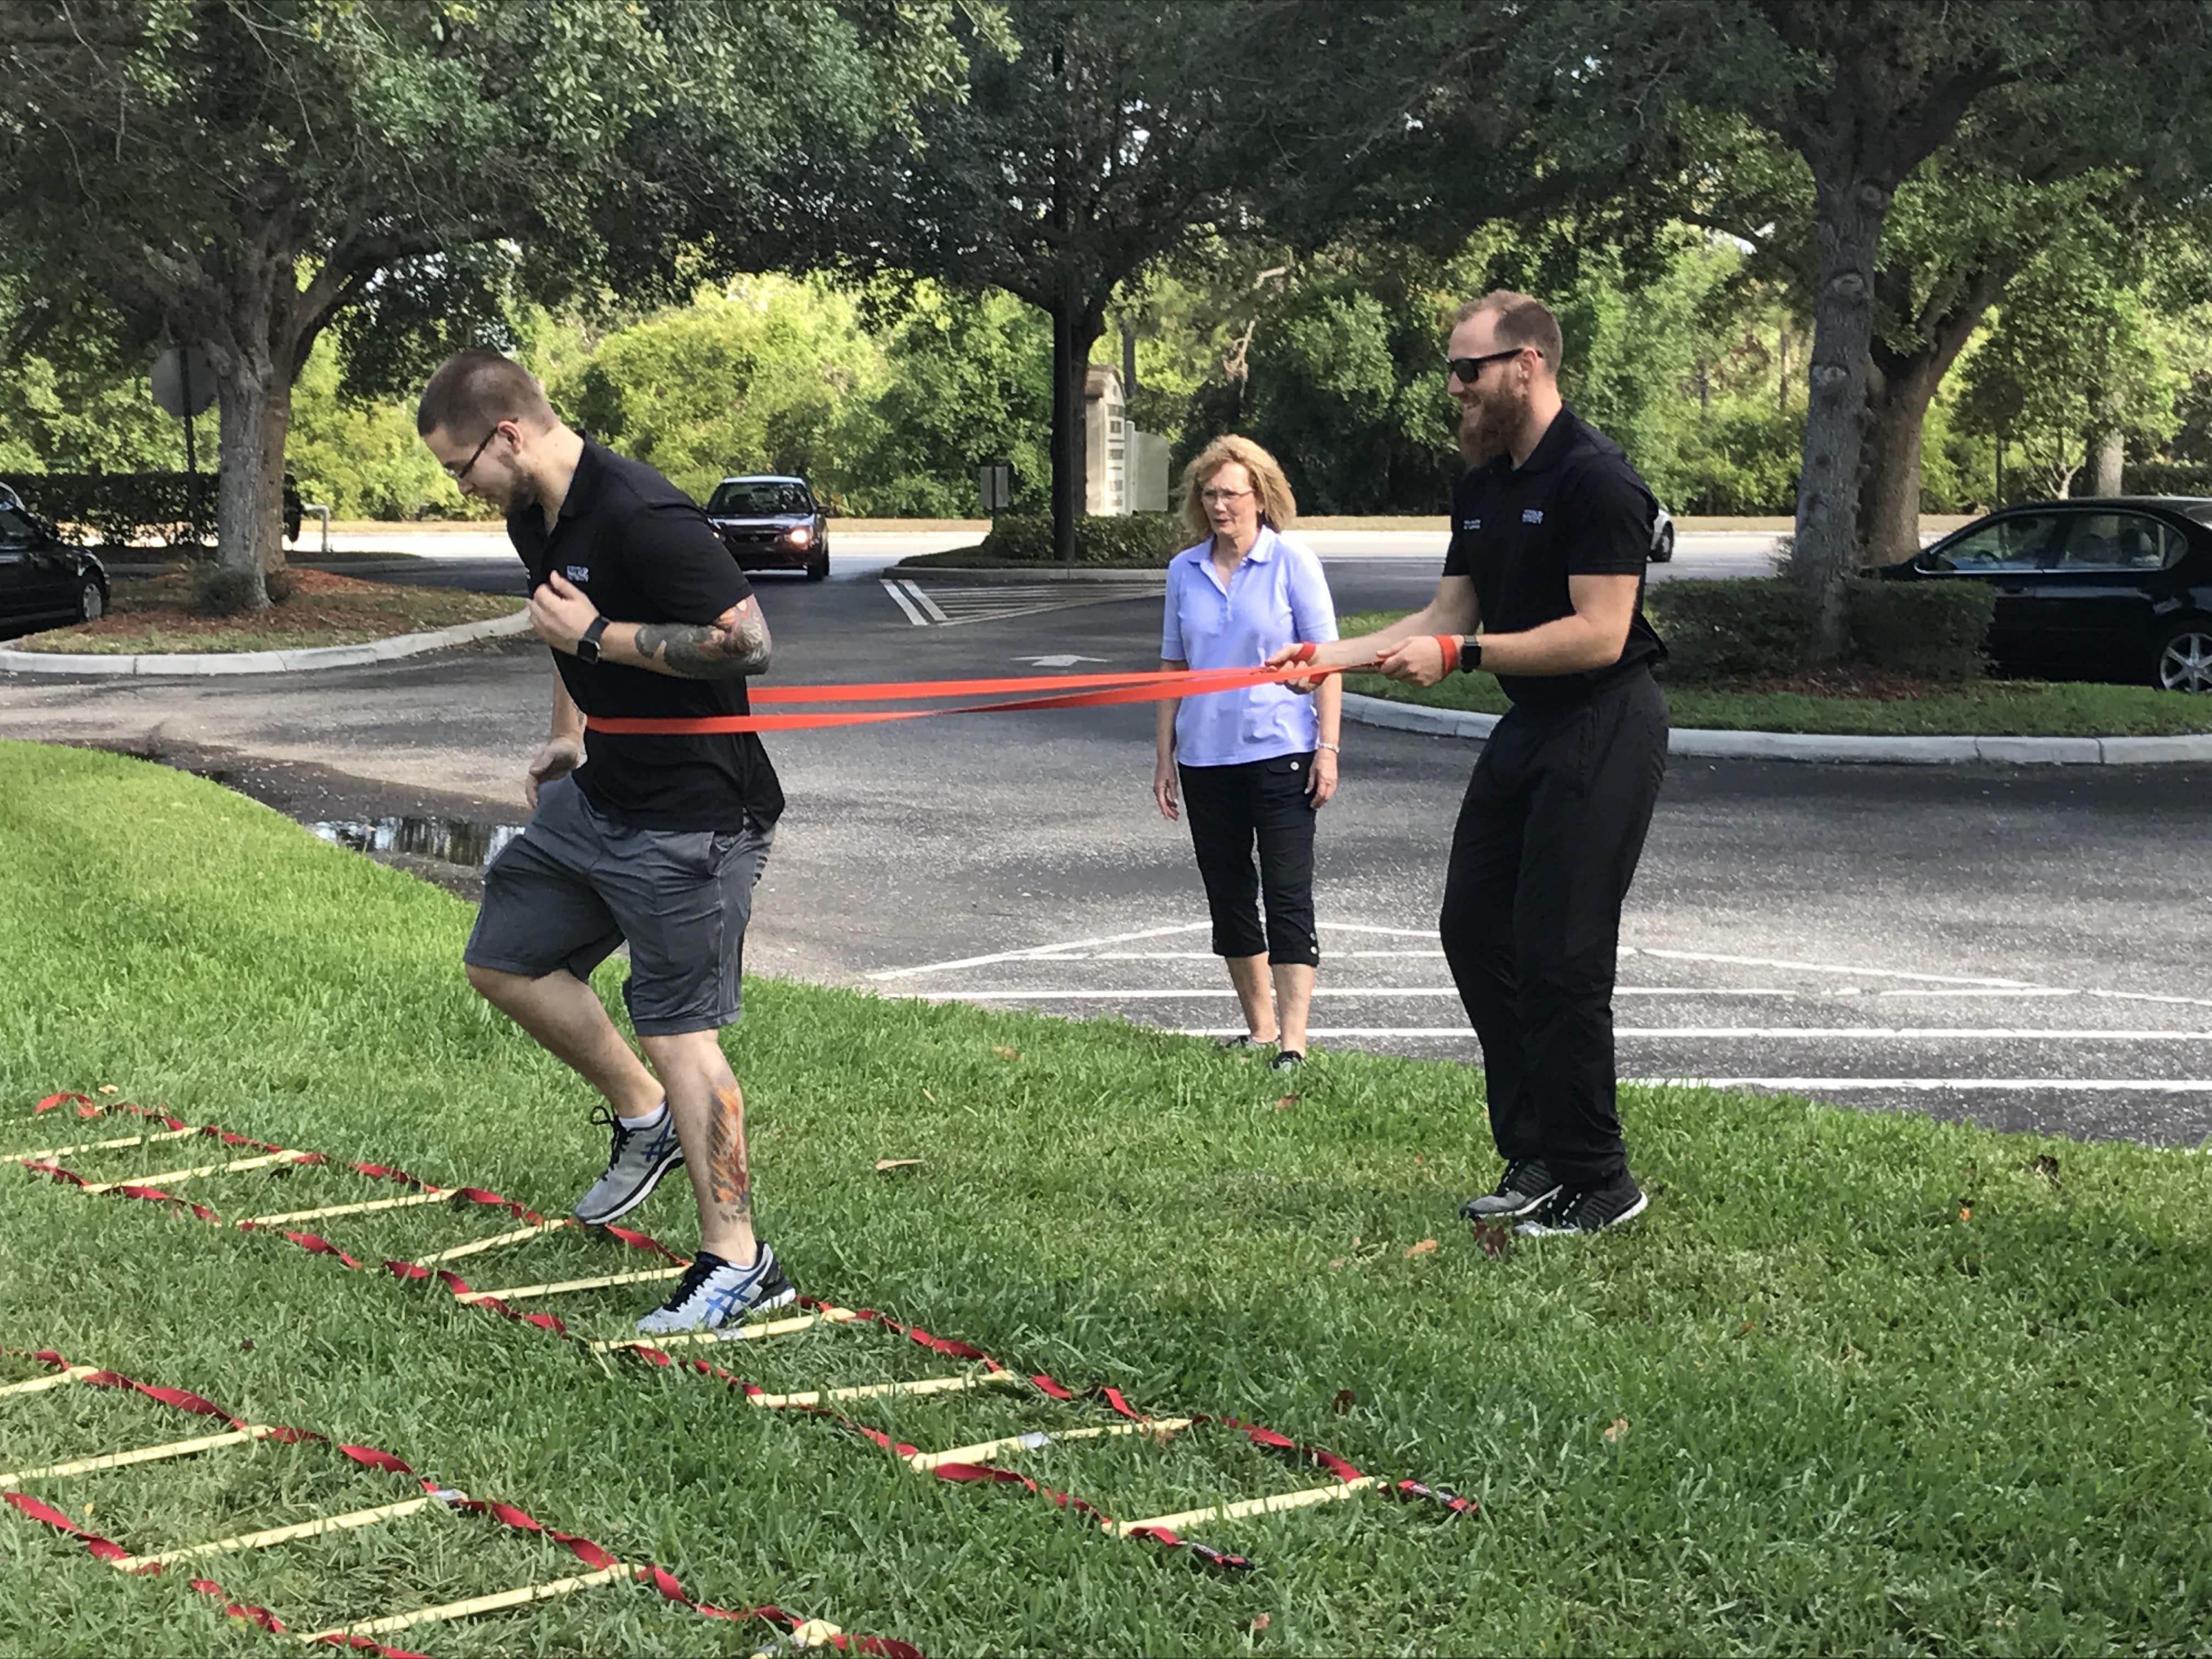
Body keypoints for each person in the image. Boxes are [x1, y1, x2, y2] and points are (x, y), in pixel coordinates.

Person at [1269, 291, 1668, 1234]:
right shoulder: (1484, 484)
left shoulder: (1596, 479)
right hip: (1532, 722)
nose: (1453, 388)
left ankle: (1599, 1175)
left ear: (1527, 363)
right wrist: (1330, 654)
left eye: (1467, 369)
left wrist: (1463, 660)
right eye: (1451, 370)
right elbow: (1447, 614)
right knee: (1473, 925)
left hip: (1605, 720)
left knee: (1563, 951)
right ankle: (1535, 1150)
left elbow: (1600, 633)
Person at [416, 349, 794, 1333]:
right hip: (603, 791)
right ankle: (644, 1113)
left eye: (462, 468)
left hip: (696, 813)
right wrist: (568, 730)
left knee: (681, 1031)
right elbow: (559, 621)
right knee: (504, 959)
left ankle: (739, 1259)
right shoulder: (532, 511)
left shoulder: (640, 512)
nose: (463, 489)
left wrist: (600, 640)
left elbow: (748, 639)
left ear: (508, 434)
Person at [1154, 436, 1342, 1071]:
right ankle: (1259, 1029)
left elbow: (1328, 661)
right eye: (1208, 495)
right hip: (1206, 756)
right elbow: (1173, 667)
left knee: (1287, 891)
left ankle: (1294, 1040)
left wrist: (1328, 747)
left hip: (1282, 750)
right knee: (1229, 891)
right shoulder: (1185, 571)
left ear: (1260, 497)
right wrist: (1163, 755)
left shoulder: (1292, 561)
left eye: (1231, 494)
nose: (1219, 506)